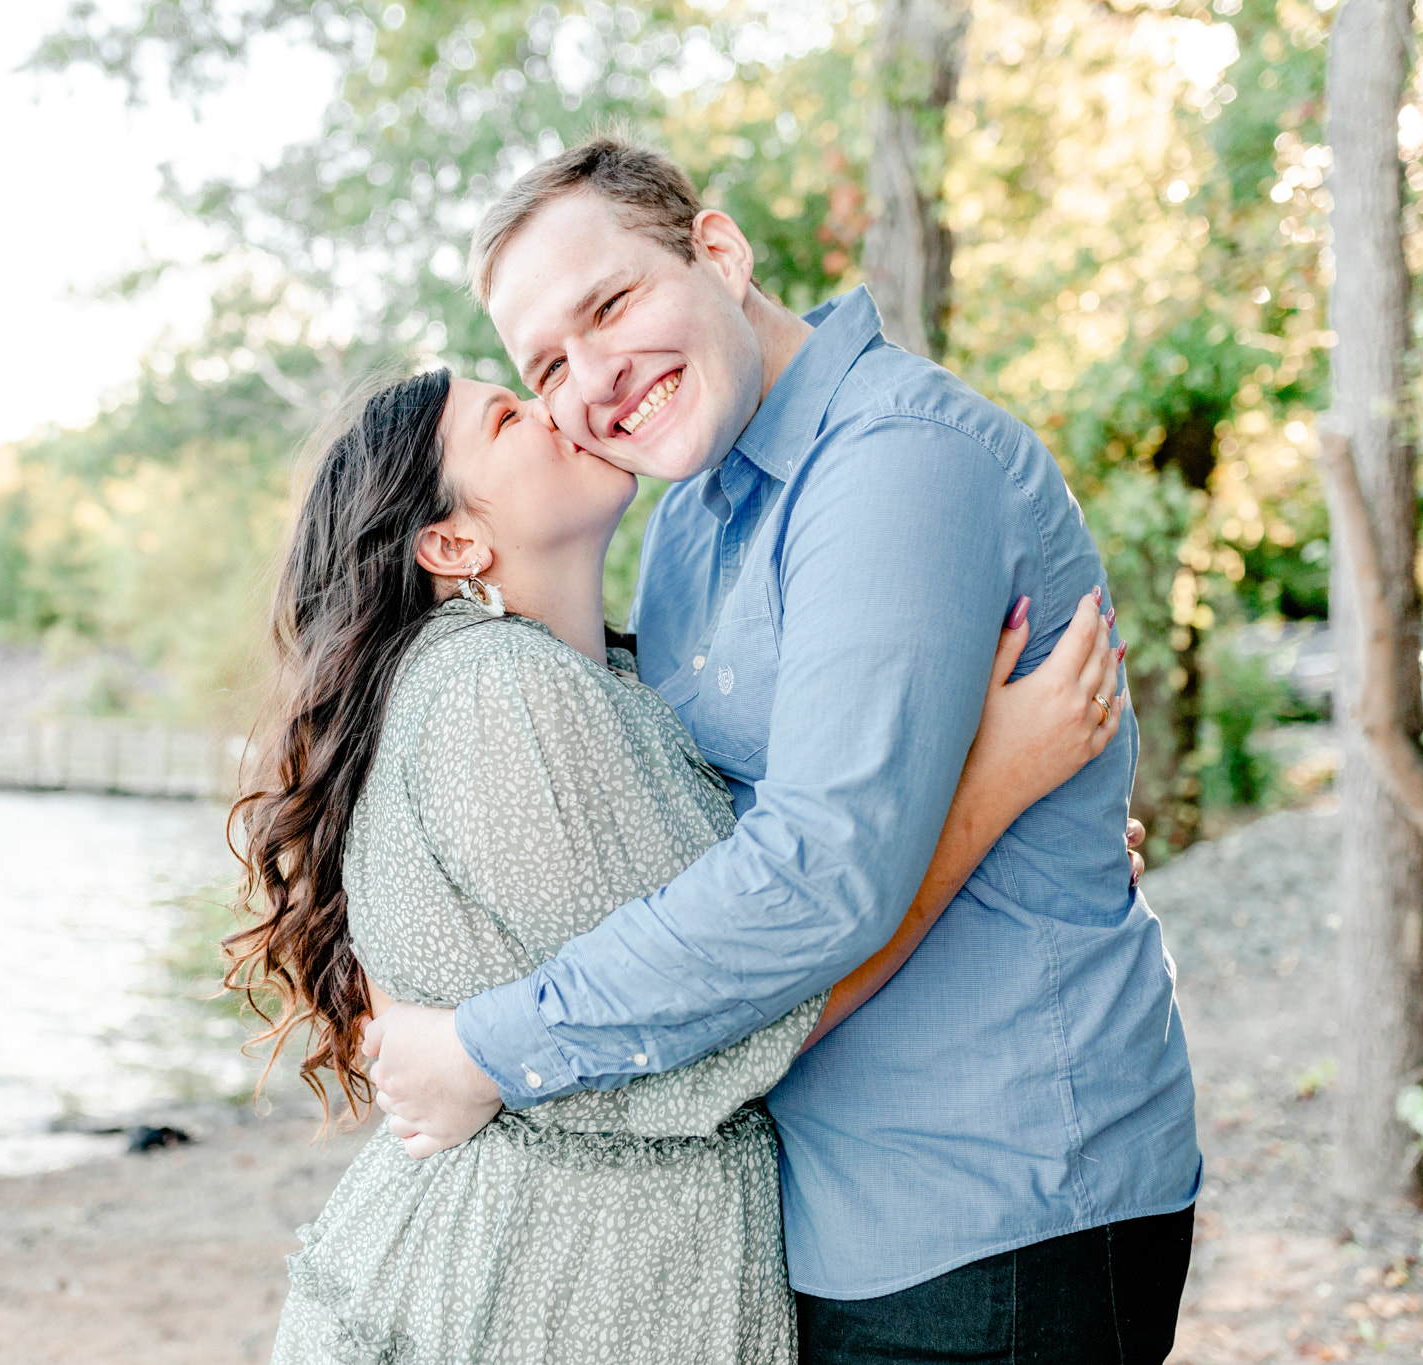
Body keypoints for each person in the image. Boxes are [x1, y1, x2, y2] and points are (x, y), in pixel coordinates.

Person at [363, 135, 1201, 1362]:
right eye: (546, 364)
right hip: (818, 1210)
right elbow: (697, 838)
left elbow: (820, 871)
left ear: (717, 249)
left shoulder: (892, 462)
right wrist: (986, 792)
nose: (594, 377)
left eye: (611, 304)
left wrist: (484, 1053)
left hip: (995, 1201)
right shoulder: (690, 518)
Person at [227, 366, 1129, 1363]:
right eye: (506, 417)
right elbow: (738, 1000)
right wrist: (991, 797)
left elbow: (785, 878)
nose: (556, 407)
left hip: (580, 1273)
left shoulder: (597, 682)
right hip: (541, 1294)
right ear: (452, 542)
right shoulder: (504, 689)